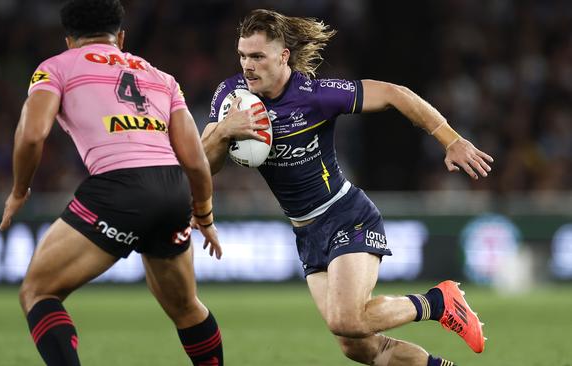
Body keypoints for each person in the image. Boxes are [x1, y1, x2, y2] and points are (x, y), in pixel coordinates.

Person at [202, 9, 493, 366]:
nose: (247, 65)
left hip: (346, 216)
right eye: (243, 55)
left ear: (283, 57)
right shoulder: (231, 95)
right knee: (359, 346)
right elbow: (205, 163)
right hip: (306, 232)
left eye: (257, 56)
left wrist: (450, 140)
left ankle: (438, 302)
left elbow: (394, 93)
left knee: (347, 319)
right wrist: (224, 130)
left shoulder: (314, 95)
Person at [0, 1, 224, 365]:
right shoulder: (162, 78)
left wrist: (19, 191)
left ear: (69, 39)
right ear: (120, 36)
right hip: (172, 189)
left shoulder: (56, 67)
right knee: (185, 307)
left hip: (120, 187)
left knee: (38, 292)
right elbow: (195, 160)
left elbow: (32, 136)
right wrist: (205, 217)